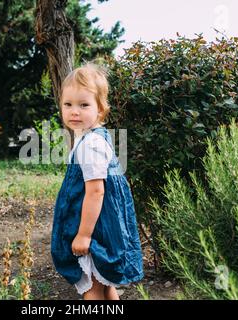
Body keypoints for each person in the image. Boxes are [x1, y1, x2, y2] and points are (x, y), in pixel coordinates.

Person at [51, 62, 144, 300]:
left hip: (96, 228)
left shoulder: (91, 145)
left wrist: (84, 235)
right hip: (101, 224)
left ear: (100, 110)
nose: (74, 111)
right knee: (105, 284)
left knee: (92, 287)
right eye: (68, 104)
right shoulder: (91, 138)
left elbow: (96, 192)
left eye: (84, 105)